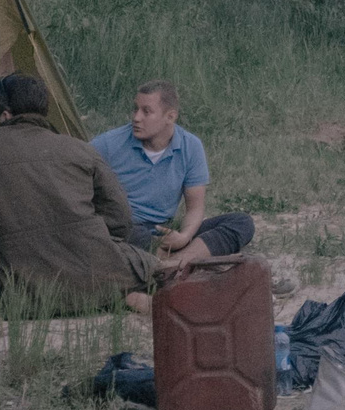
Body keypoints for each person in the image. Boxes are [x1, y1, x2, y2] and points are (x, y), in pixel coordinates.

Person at [0, 74, 156, 311]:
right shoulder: (80, 149)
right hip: (99, 273)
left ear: (6, 115)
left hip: (29, 296)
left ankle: (116, 298)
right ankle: (121, 297)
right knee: (162, 268)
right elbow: (121, 215)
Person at [89, 81, 256, 273]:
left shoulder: (190, 146)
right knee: (130, 233)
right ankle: (189, 263)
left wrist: (184, 236)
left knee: (242, 222)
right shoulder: (108, 144)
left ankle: (172, 264)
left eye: (146, 111)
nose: (136, 117)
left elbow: (195, 207)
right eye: (135, 109)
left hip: (164, 232)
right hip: (126, 229)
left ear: (170, 116)